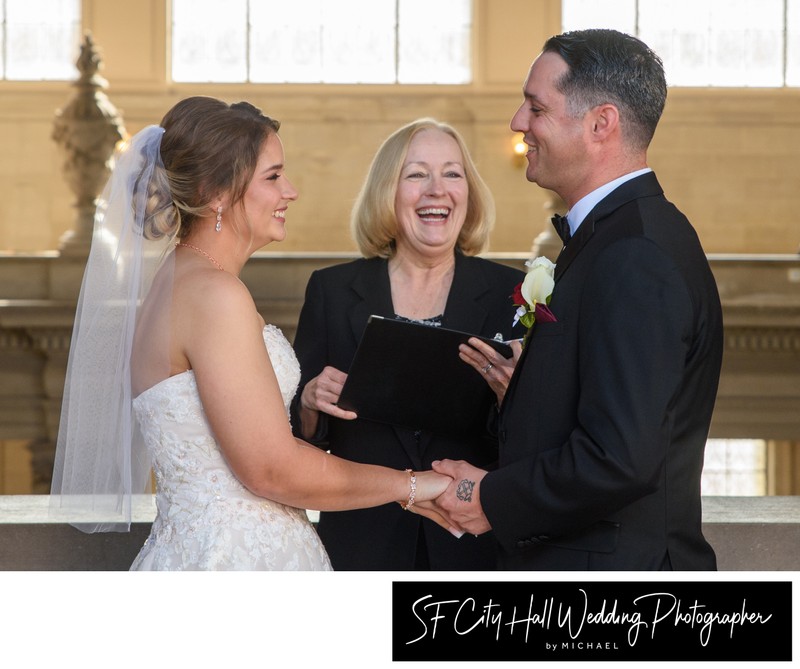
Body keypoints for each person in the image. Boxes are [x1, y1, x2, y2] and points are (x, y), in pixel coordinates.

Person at [49, 96, 452, 570]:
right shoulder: (215, 295)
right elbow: (270, 469)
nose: (291, 191)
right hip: (236, 560)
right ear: (218, 192)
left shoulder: (178, 281)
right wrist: (414, 485)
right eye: (273, 176)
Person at [427, 29, 724, 570]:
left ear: (600, 123)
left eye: (536, 107)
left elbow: (620, 459)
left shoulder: (636, 253)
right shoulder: (617, 237)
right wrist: (534, 385)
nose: (518, 123)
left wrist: (489, 499)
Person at [290, 118, 525, 570]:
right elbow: (292, 440)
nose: (437, 189)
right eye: (416, 174)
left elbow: (536, 443)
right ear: (387, 192)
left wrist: (513, 396)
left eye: (452, 173)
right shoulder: (333, 291)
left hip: (473, 547)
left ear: (468, 193)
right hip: (362, 543)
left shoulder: (510, 295)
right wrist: (309, 402)